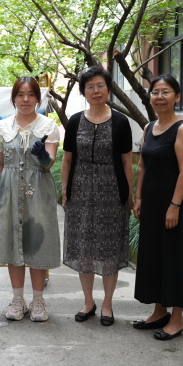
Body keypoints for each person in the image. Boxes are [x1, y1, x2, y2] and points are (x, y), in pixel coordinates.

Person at [62, 66, 133, 326]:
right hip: (80, 191)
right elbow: (67, 159)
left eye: (100, 85)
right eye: (90, 86)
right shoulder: (74, 121)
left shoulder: (121, 122)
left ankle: (107, 304)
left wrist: (130, 196)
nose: (95, 90)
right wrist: (65, 191)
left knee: (109, 249)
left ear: (108, 89)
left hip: (112, 192)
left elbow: (127, 162)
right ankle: (88, 302)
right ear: (83, 91)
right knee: (84, 247)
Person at [0, 77, 60, 322]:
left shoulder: (48, 126)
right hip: (8, 189)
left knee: (37, 242)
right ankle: (17, 299)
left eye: (31, 94)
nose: (26, 99)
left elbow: (48, 163)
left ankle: (38, 300)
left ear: (38, 99)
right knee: (14, 243)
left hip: (39, 190)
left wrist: (42, 155)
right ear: (14, 98)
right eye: (20, 94)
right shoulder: (3, 127)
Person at [133, 74, 183, 340]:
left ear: (177, 97)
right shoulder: (149, 127)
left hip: (171, 205)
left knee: (173, 258)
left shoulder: (182, 130)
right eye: (155, 92)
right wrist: (138, 198)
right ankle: (159, 312)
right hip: (151, 204)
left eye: (166, 92)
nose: (159, 97)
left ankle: (177, 318)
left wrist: (174, 206)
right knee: (154, 256)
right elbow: (142, 166)